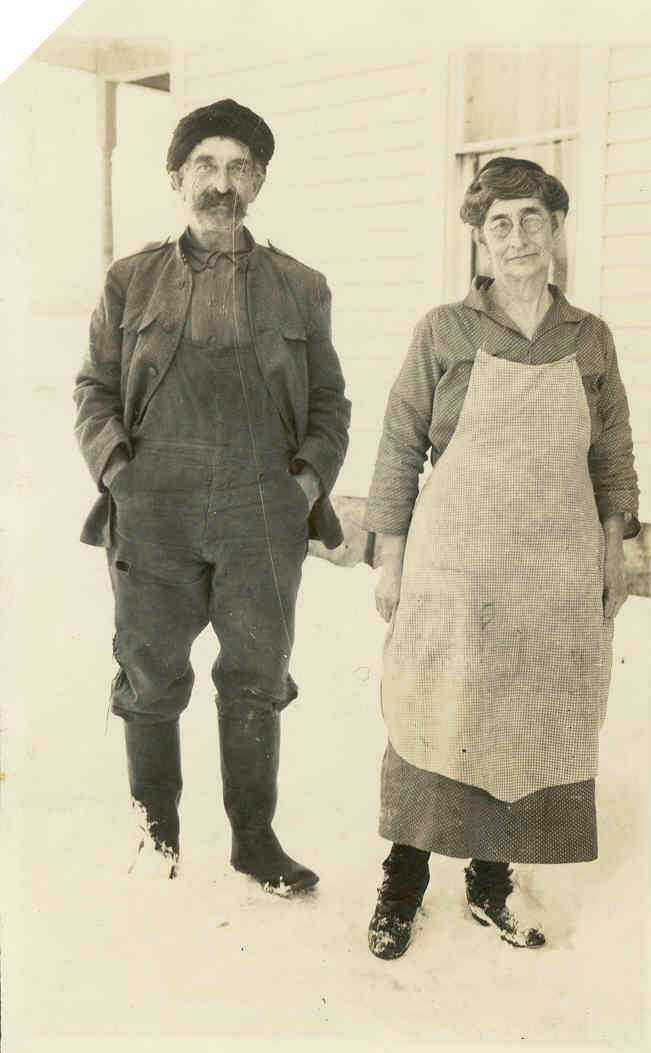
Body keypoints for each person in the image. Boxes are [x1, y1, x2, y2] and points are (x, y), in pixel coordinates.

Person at [363, 156, 639, 956]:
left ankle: (490, 884)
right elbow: (399, 443)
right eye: (499, 224)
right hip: (455, 564)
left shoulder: (587, 338)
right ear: (479, 240)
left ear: (556, 229)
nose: (516, 237)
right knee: (434, 711)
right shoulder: (443, 330)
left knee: (523, 721)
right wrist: (391, 556)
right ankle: (400, 884)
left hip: (551, 568)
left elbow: (612, 453)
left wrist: (614, 548)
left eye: (530, 219)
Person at [74, 99, 350, 891]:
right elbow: (93, 388)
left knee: (256, 675)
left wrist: (303, 483)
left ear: (257, 182)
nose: (220, 183)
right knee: (150, 675)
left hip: (259, 510)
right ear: (176, 178)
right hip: (153, 507)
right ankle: (155, 835)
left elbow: (329, 403)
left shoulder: (300, 286)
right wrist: (118, 472)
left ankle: (253, 840)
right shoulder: (131, 280)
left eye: (237, 168)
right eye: (205, 165)